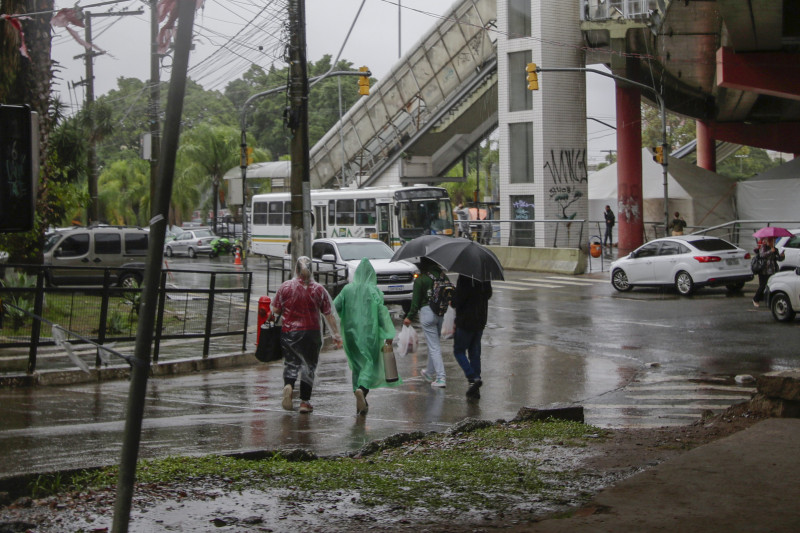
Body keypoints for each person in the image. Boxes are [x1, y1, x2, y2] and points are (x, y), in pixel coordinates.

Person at [271, 256, 341, 414]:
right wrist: (336, 335)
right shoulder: (318, 290)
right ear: (311, 270)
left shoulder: (285, 287)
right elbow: (328, 315)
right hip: (311, 333)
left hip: (290, 333)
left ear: (295, 269)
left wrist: (267, 327)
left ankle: (288, 385)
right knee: (308, 366)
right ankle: (304, 402)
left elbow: (275, 311)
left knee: (291, 363)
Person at [334, 258, 401, 415]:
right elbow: (382, 313)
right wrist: (389, 334)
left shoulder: (347, 290)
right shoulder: (374, 291)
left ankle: (360, 400)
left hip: (350, 334)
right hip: (369, 334)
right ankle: (362, 390)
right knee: (369, 363)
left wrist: (341, 324)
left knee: (356, 366)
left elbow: (334, 307)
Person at [403, 257, 447, 388]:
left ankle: (441, 377)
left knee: (434, 346)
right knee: (435, 345)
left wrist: (409, 317)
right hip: (440, 312)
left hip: (427, 313)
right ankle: (429, 372)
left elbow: (415, 302)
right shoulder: (442, 275)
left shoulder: (421, 279)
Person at [451, 275, 492, 399]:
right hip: (480, 320)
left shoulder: (464, 277)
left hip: (465, 321)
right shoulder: (485, 277)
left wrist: (452, 299)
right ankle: (475, 385)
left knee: (459, 350)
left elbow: (458, 301)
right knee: (474, 352)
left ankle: (472, 378)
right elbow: (489, 294)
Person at [752, 237, 785, 308]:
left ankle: (764, 298)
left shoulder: (775, 249)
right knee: (762, 285)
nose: (772, 242)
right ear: (767, 241)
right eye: (770, 241)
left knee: (769, 285)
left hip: (772, 270)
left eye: (773, 241)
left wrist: (782, 256)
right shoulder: (763, 247)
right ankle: (756, 299)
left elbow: (778, 258)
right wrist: (770, 251)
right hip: (763, 270)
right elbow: (762, 255)